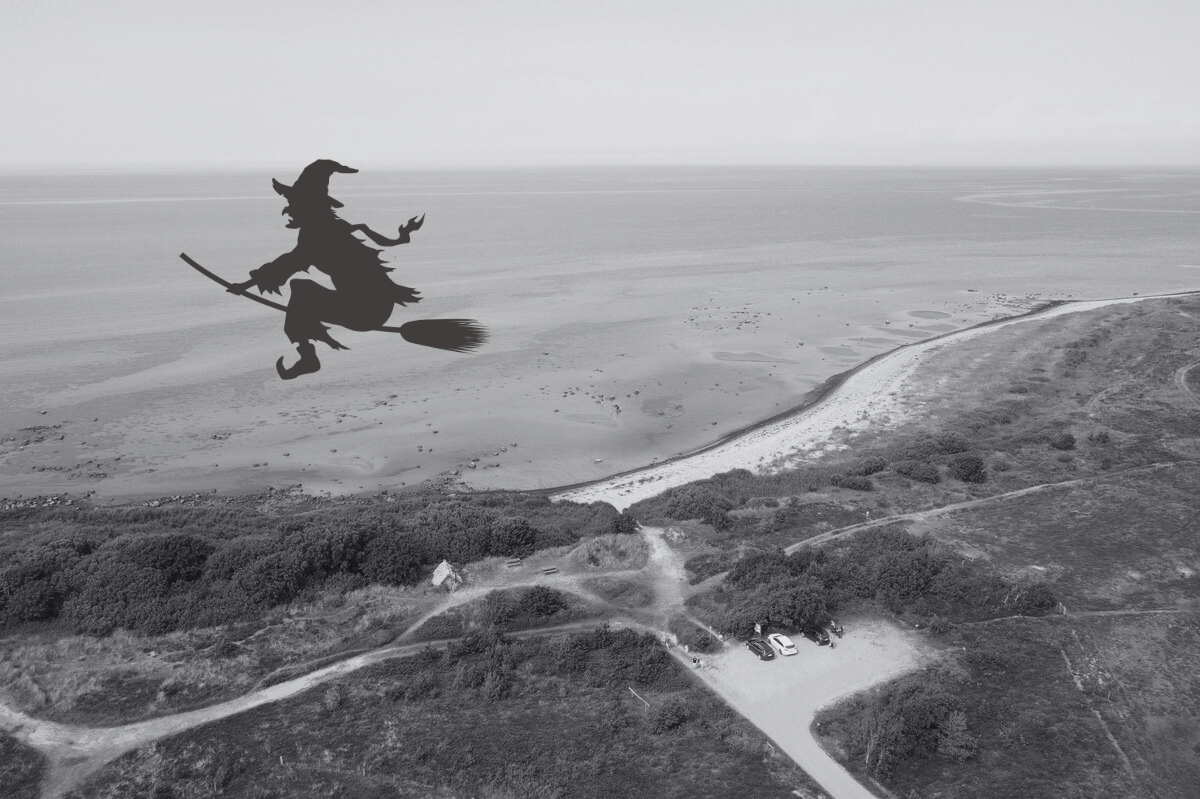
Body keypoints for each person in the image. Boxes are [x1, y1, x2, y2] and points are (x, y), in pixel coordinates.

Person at [229, 159, 425, 379]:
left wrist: (245, 285)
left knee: (300, 290)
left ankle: (308, 356)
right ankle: (307, 350)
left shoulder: (316, 235)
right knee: (300, 291)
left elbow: (287, 263)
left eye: (295, 203)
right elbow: (287, 263)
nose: (289, 209)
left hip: (364, 310)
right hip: (375, 307)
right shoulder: (334, 228)